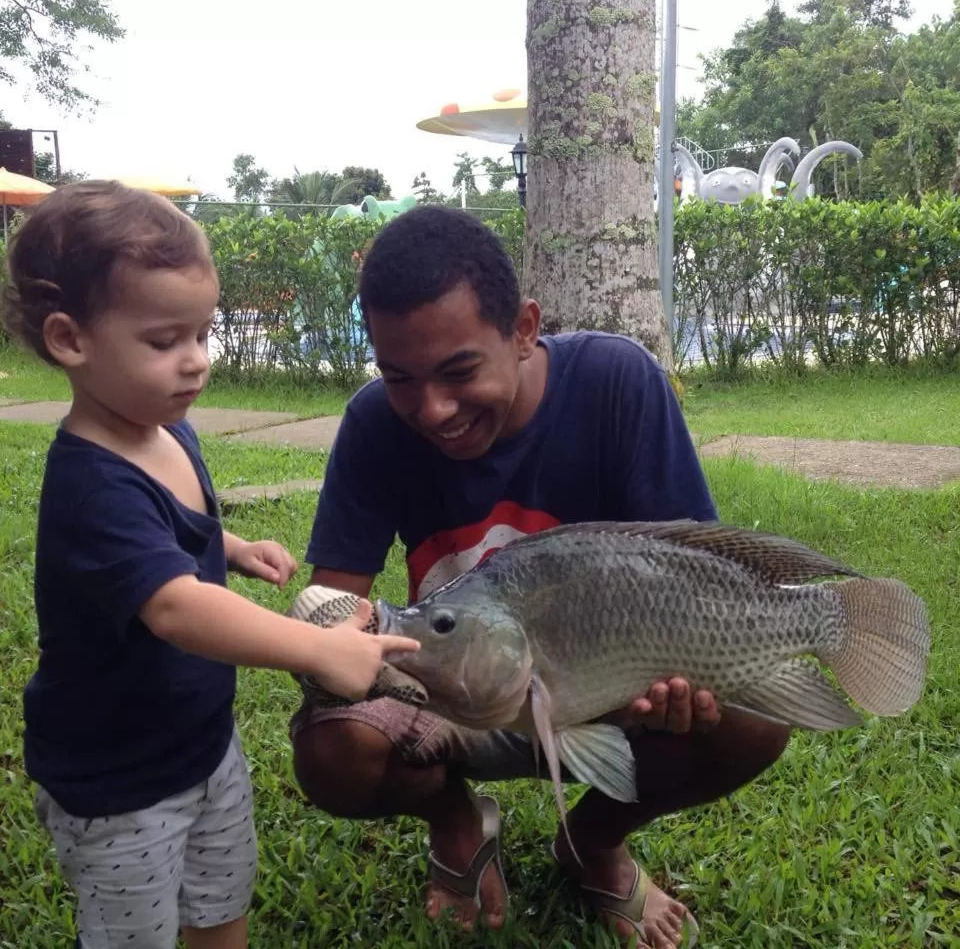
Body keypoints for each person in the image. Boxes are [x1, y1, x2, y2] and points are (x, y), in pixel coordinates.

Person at [290, 205, 792, 949]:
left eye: (459, 370)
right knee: (333, 747)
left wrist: (674, 685)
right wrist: (337, 646)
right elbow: (337, 613)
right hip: (455, 688)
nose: (432, 409)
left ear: (524, 329)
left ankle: (593, 838)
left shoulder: (616, 381)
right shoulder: (373, 425)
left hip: (605, 694)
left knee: (755, 722)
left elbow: (697, 570)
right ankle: (456, 820)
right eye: (399, 377)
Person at [0, 181, 420, 949]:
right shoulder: (90, 482)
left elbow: (170, 537)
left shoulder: (164, 430)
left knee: (222, 906)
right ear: (70, 340)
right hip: (117, 781)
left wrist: (231, 548)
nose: (196, 363)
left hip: (201, 746)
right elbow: (175, 607)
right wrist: (321, 648)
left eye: (204, 333)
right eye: (165, 341)